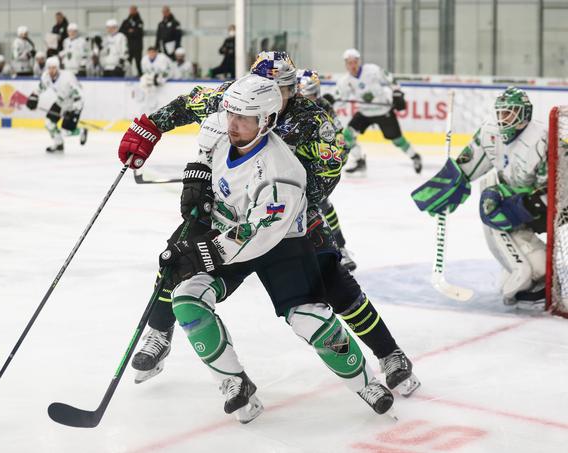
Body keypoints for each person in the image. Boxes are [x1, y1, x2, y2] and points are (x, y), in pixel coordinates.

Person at [119, 51, 420, 399]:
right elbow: (191, 104)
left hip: (289, 218)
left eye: (282, 88)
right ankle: (159, 332)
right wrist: (152, 128)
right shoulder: (239, 96)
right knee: (176, 260)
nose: (270, 93)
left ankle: (388, 352)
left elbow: (329, 170)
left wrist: (284, 203)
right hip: (229, 210)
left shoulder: (311, 120)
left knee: (334, 283)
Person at [412, 87, 548, 305]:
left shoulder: (542, 138)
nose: (503, 119)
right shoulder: (490, 131)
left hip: (536, 201)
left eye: (509, 113)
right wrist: (446, 185)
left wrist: (523, 207)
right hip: (509, 190)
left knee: (540, 265)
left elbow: (552, 191)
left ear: (524, 114)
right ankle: (520, 268)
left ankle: (530, 271)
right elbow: (468, 164)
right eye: (501, 113)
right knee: (490, 202)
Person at [296, 68, 356, 272]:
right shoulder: (288, 106)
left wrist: (341, 151)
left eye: (313, 95)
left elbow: (339, 136)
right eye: (305, 95)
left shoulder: (324, 107)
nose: (309, 99)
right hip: (289, 165)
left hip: (312, 165)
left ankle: (341, 248)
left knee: (322, 205)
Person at [335, 48, 421, 174]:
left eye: (354, 62)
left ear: (359, 61)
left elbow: (391, 79)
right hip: (364, 113)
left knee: (397, 140)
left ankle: (415, 157)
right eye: (349, 63)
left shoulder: (373, 70)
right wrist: (332, 101)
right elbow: (341, 101)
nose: (352, 65)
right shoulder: (344, 81)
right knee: (347, 135)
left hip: (383, 111)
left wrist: (397, 92)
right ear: (346, 64)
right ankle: (359, 161)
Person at [25, 56, 88, 153]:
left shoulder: (67, 77)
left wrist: (74, 110)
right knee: (49, 123)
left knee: (66, 131)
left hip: (74, 103)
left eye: (54, 68)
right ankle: (58, 144)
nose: (51, 70)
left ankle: (82, 131)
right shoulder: (46, 77)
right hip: (60, 101)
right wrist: (33, 96)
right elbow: (40, 88)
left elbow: (79, 94)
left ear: (58, 68)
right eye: (49, 68)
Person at [121, 5, 144, 76]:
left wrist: (132, 31)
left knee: (138, 62)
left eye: (133, 10)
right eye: (131, 10)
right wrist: (129, 31)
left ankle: (140, 75)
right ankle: (126, 76)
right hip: (128, 46)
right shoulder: (126, 21)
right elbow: (121, 31)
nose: (132, 11)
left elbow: (139, 33)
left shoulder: (139, 21)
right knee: (127, 63)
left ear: (136, 11)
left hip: (137, 46)